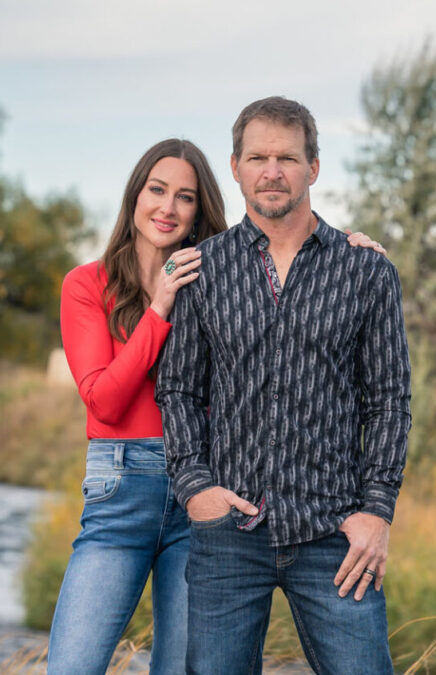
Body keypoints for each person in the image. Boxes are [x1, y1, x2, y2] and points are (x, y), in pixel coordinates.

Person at [51, 138, 385, 675]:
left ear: (200, 208)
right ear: (134, 195)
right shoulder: (88, 284)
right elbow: (106, 401)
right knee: (73, 666)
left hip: (205, 492)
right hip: (122, 491)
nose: (167, 208)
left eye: (185, 197)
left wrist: (348, 249)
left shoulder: (215, 276)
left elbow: (288, 263)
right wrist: (160, 305)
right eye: (156, 190)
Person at [157, 96, 411, 674]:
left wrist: (377, 510)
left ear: (313, 168)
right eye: (258, 157)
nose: (272, 171)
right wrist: (196, 486)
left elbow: (390, 401)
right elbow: (178, 391)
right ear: (236, 167)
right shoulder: (203, 268)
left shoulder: (366, 271)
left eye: (288, 158)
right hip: (228, 533)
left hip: (334, 534)